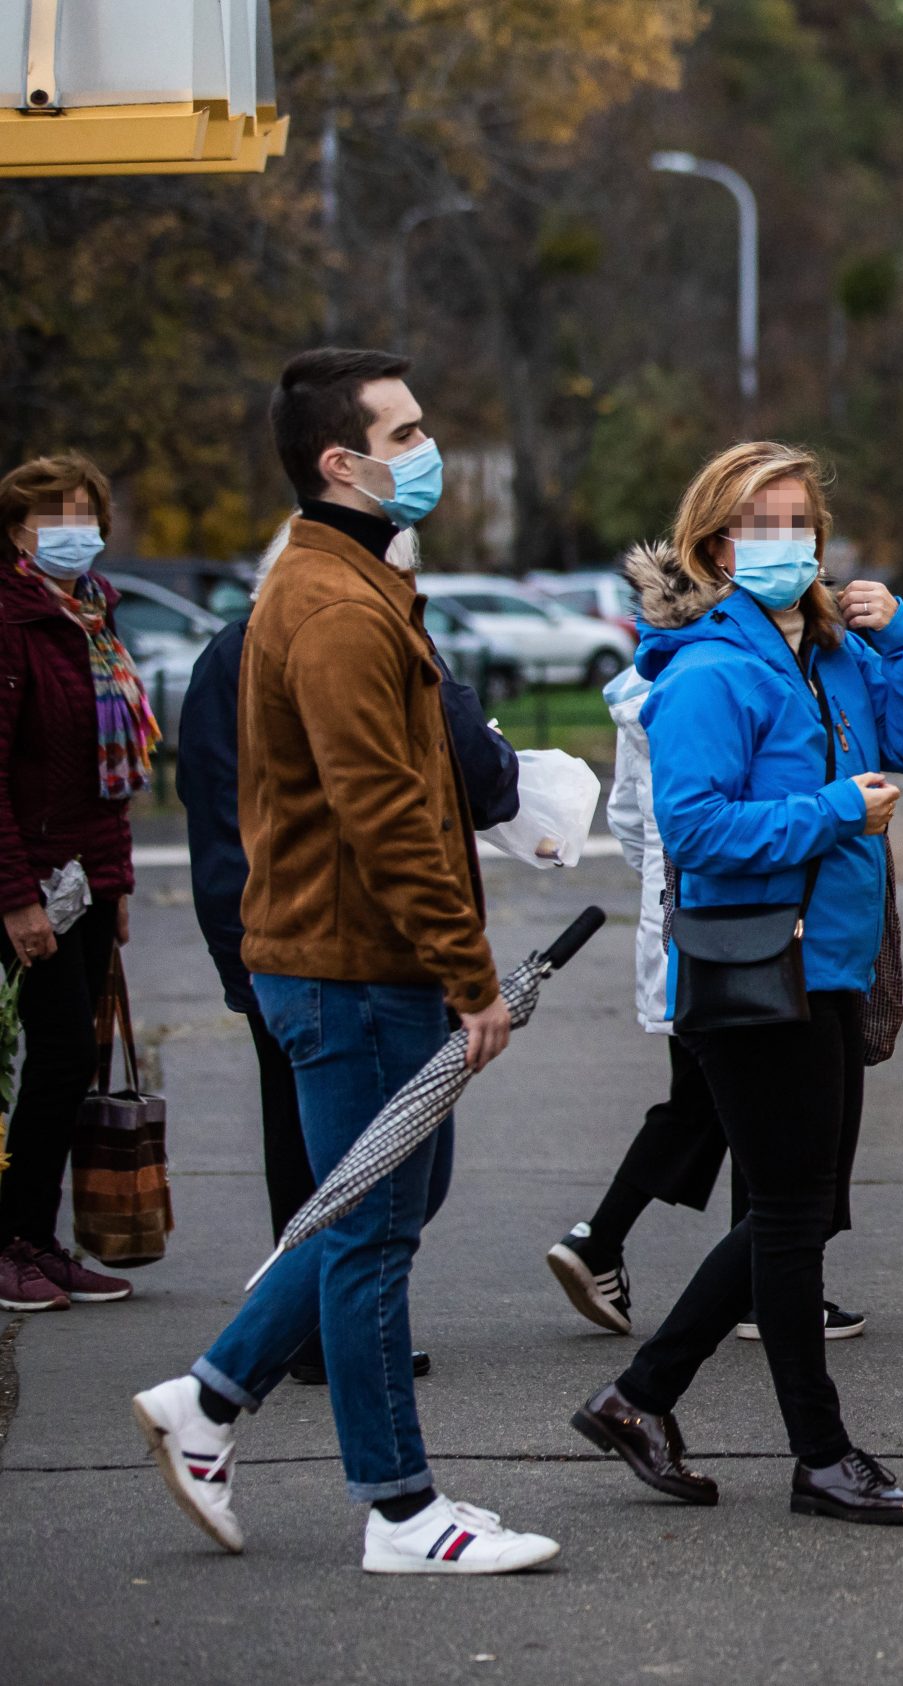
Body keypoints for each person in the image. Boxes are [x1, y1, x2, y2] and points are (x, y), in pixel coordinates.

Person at [132, 347, 557, 1574]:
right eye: (407, 432)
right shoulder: (330, 607)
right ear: (342, 461)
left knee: (384, 1200)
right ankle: (401, 1511)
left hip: (356, 964)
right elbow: (384, 813)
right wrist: (468, 977)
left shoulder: (348, 584)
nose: (425, 450)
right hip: (349, 967)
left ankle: (209, 1401)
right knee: (372, 1229)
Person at [570, 441, 903, 1526]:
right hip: (751, 971)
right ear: (715, 543)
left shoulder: (832, 653)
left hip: (830, 963)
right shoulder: (706, 669)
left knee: (803, 1210)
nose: (784, 543)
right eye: (759, 525)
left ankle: (640, 1399)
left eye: (800, 525)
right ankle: (822, 1457)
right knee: (789, 1217)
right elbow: (694, 830)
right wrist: (837, 813)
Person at [177, 518, 521, 1385]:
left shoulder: (248, 645)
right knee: (371, 1180)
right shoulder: (352, 639)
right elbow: (417, 800)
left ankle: (256, 1367)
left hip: (289, 941)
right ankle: (293, 1368)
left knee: (373, 1174)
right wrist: (468, 973)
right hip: (342, 949)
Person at [543, 652, 865, 1342]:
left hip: (681, 921)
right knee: (741, 1110)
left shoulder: (647, 684)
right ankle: (640, 1257)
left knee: (712, 1104)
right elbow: (703, 820)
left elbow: (631, 817)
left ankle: (608, 1243)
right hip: (735, 930)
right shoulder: (723, 677)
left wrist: (660, 884)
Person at [0, 452, 149, 1313]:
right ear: (18, 531)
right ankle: (14, 1239)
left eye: (87, 512)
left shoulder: (93, 616)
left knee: (70, 1061)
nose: (76, 529)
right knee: (52, 1058)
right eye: (55, 515)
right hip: (31, 880)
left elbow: (112, 781)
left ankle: (38, 1238)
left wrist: (119, 886)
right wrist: (17, 895)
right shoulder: (15, 624)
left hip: (87, 879)